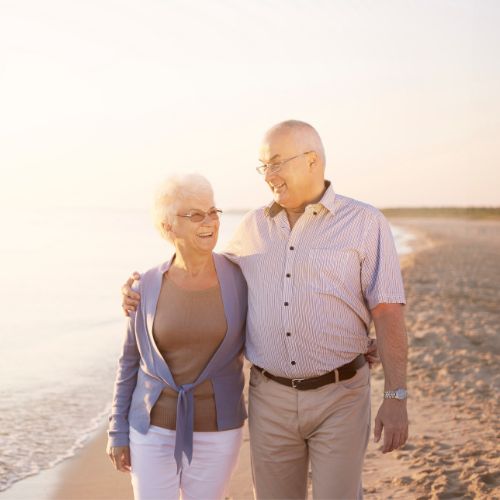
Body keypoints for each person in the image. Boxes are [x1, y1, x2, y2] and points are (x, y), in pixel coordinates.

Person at [121, 120, 408, 500]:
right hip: (268, 399)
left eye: (275, 163)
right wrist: (142, 287)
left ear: (311, 161)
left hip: (341, 396)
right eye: (262, 167)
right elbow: (202, 270)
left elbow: (388, 313)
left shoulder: (365, 223)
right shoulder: (253, 226)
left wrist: (396, 396)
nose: (267, 176)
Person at [107, 173, 248, 500]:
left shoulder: (242, 278)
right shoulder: (145, 285)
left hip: (219, 429)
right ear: (168, 227)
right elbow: (129, 361)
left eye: (212, 211)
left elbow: (281, 315)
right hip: (150, 429)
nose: (209, 221)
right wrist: (117, 432)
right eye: (196, 214)